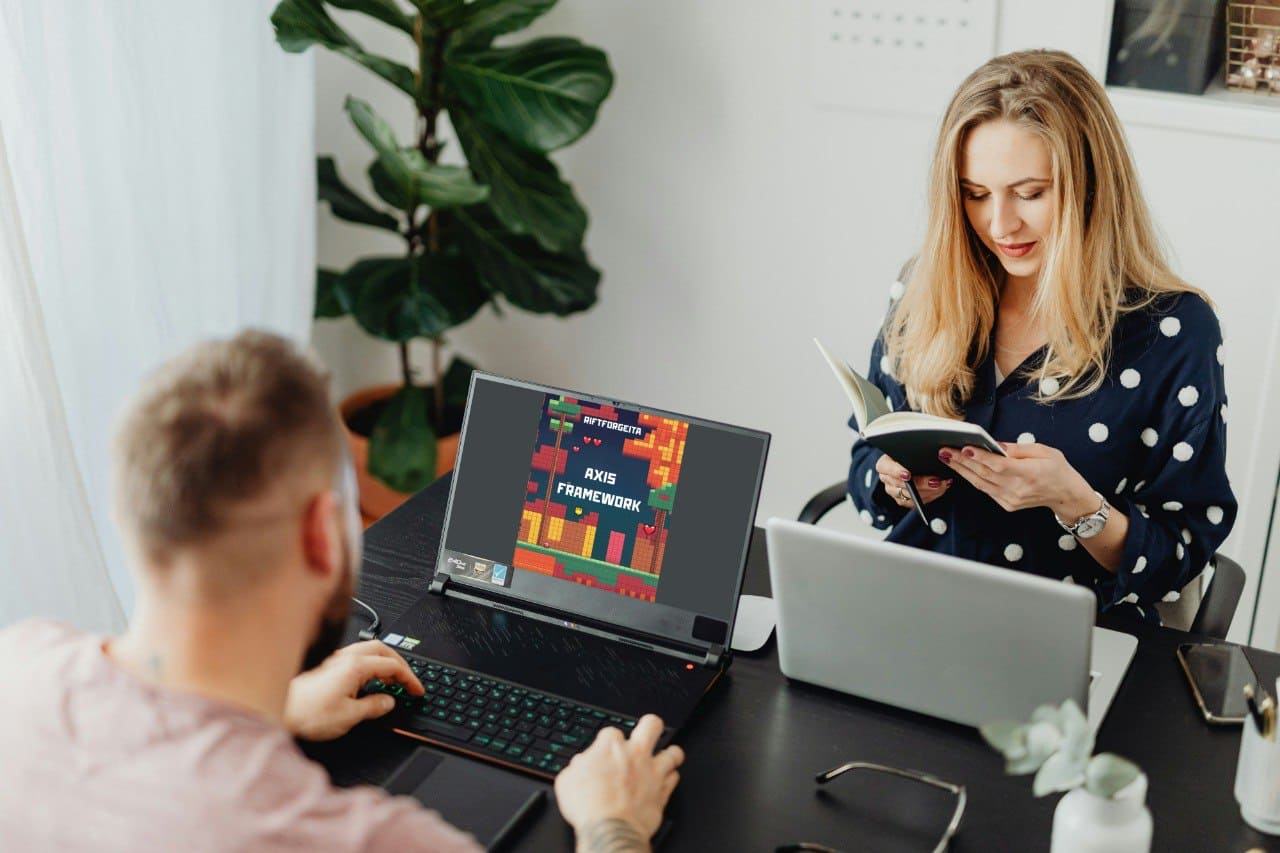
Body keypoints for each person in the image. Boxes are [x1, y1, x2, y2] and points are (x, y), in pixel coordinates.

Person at [0, 331, 681, 852]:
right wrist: (612, 823)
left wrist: (275, 708)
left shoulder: (18, 665)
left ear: (126, 516)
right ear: (325, 534)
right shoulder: (357, 839)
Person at [846, 50, 1236, 625]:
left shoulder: (1173, 331)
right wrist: (898, 485)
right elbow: (864, 469)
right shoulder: (925, 289)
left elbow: (1180, 551)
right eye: (975, 194)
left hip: (1068, 634)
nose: (1000, 225)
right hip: (912, 612)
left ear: (1091, 188)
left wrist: (1073, 502)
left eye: (1029, 193)